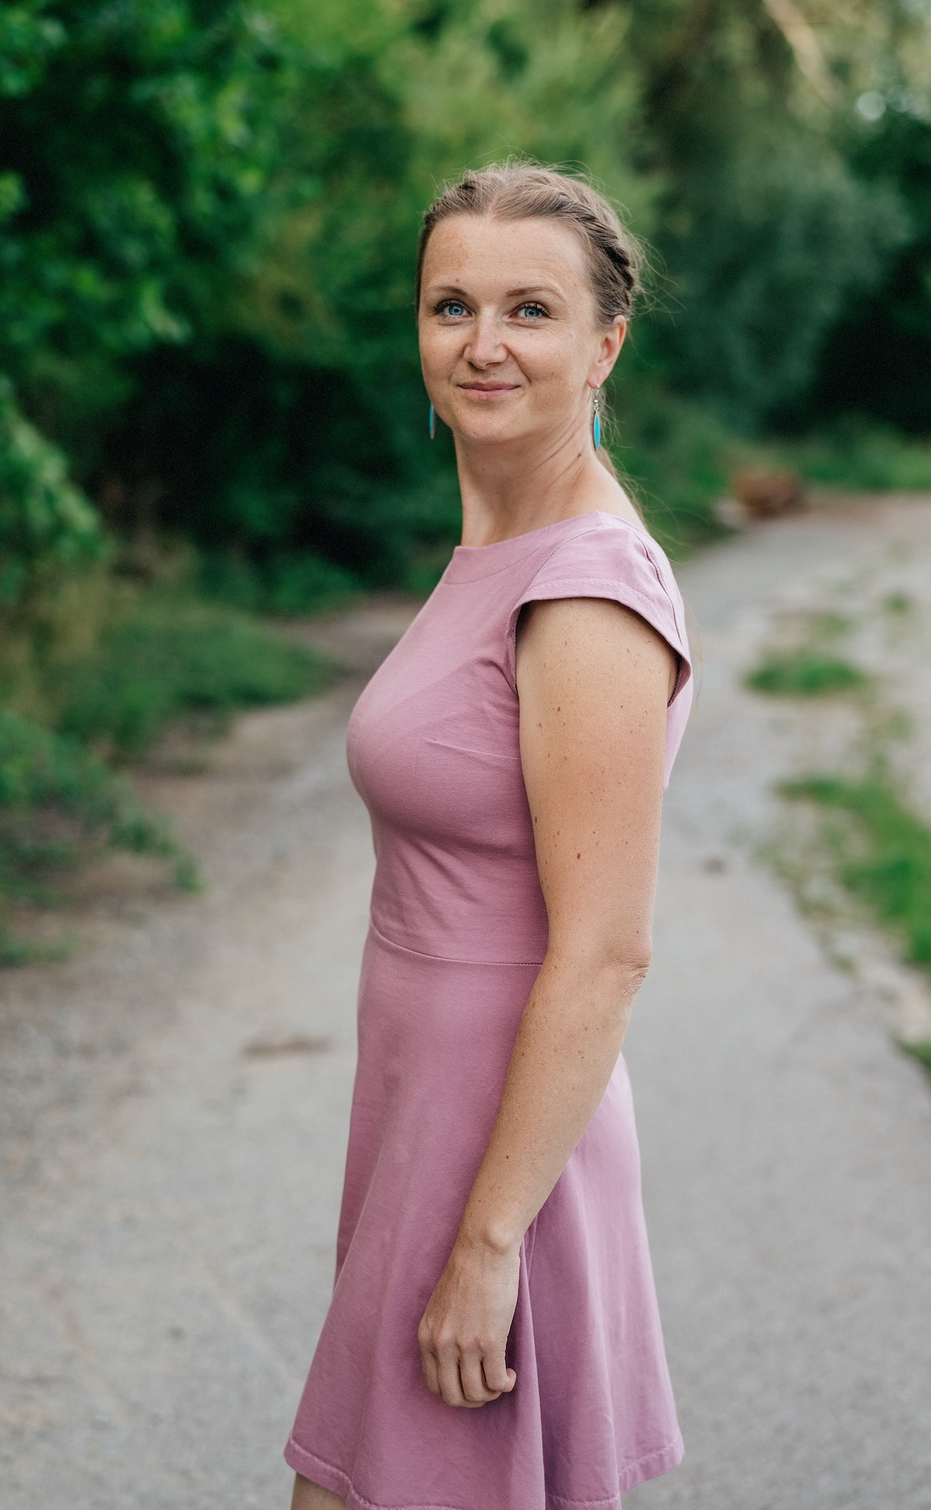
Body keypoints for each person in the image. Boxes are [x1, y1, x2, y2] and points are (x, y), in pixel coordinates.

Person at [284, 161, 694, 1510]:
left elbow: (606, 954)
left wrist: (488, 1240)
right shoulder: (501, 548)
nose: (482, 344)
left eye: (530, 310)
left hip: (499, 1156)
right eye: (450, 305)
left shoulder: (584, 595)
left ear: (603, 346)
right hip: (425, 1121)